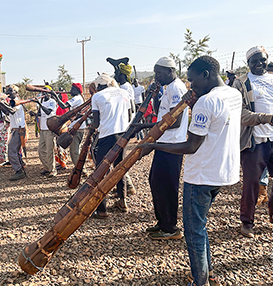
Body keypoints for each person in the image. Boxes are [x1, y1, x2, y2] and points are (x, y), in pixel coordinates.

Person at [138, 55, 240, 286]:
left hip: (202, 175)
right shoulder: (233, 94)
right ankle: (208, 273)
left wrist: (153, 145)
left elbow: (191, 145)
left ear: (206, 75)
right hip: (224, 172)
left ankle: (200, 280)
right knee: (200, 226)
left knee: (194, 231)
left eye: (193, 81)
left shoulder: (207, 101)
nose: (191, 86)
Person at [232, 46, 273, 238]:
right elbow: (241, 114)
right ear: (248, 63)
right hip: (255, 141)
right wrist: (268, 118)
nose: (259, 63)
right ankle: (247, 221)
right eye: (254, 60)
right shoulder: (241, 83)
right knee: (252, 183)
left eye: (262, 59)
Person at [134, 57, 189, 240]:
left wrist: (145, 127)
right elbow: (161, 114)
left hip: (172, 144)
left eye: (159, 73)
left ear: (170, 71)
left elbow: (175, 121)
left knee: (166, 185)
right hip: (164, 142)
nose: (157, 77)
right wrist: (156, 96)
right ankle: (163, 221)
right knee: (156, 182)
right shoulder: (168, 88)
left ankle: (171, 227)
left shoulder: (177, 89)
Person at [89, 73, 134, 218]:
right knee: (119, 168)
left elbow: (96, 122)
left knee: (101, 170)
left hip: (106, 136)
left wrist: (90, 133)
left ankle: (102, 209)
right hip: (122, 135)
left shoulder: (97, 96)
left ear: (98, 85)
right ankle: (123, 201)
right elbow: (129, 115)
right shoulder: (123, 92)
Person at [37, 90, 59, 177]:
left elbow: (48, 112)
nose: (44, 94)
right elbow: (40, 114)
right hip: (43, 129)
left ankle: (52, 169)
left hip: (49, 129)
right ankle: (47, 167)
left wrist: (39, 104)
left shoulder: (52, 102)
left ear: (50, 94)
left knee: (50, 150)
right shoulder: (42, 101)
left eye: (46, 92)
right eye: (43, 93)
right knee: (41, 150)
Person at [67, 84, 87, 164]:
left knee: (74, 151)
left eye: (72, 89)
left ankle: (80, 169)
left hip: (77, 128)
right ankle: (79, 168)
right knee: (74, 150)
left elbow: (64, 106)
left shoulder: (77, 98)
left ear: (77, 90)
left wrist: (55, 96)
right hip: (76, 127)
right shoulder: (78, 98)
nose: (70, 91)